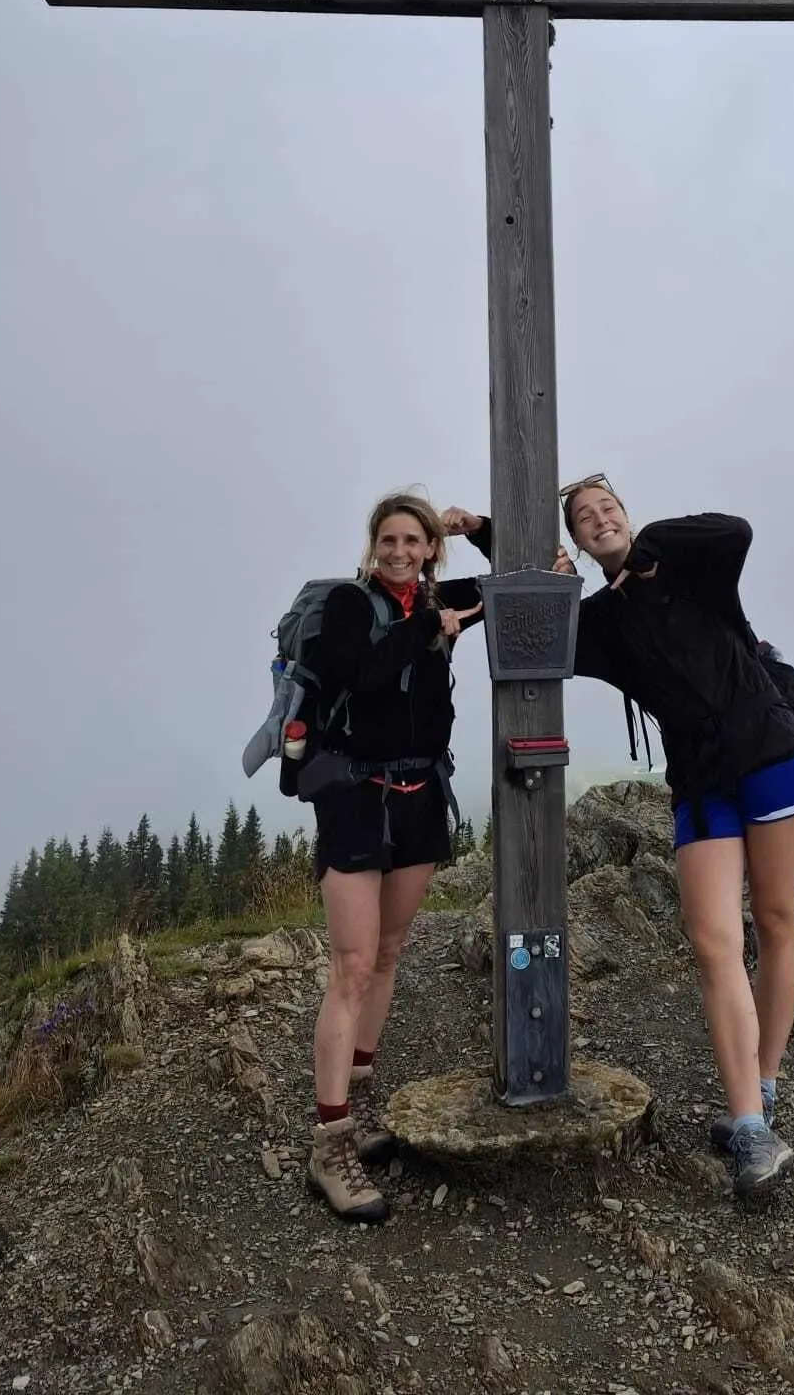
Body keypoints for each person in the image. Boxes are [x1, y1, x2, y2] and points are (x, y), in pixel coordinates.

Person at [443, 483, 794, 1198]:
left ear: (627, 515)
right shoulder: (602, 623)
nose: (600, 519)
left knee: (775, 920)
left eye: (607, 507)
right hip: (701, 781)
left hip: (770, 750)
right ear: (577, 544)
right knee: (713, 941)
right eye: (585, 518)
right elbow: (530, 617)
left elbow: (734, 528)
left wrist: (650, 550)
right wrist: (489, 533)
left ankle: (763, 1086)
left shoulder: (692, 568)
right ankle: (750, 1128)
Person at [284, 491, 482, 1222]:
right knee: (353, 964)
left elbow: (519, 580)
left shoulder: (440, 602)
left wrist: (479, 527)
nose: (399, 551)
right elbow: (363, 674)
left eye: (413, 541)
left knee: (390, 952)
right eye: (388, 540)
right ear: (373, 546)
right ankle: (330, 1142)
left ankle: (359, 1102)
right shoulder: (348, 604)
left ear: (431, 549)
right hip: (355, 797)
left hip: (420, 795)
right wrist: (428, 627)